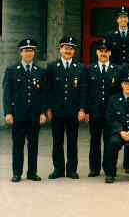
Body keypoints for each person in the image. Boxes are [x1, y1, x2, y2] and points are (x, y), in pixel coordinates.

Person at [4, 39, 47, 182]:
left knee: (33, 144)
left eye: (31, 51)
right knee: (18, 145)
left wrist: (43, 112)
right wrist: (8, 112)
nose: (28, 53)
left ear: (34, 53)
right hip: (18, 115)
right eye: (25, 51)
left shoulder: (40, 71)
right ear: (20, 52)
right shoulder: (11, 70)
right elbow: (6, 93)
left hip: (34, 114)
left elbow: (43, 94)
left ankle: (32, 172)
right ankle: (17, 172)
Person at [46, 36, 87, 180]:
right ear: (60, 49)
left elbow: (83, 90)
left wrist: (82, 109)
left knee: (72, 141)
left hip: (72, 111)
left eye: (71, 48)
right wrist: (48, 108)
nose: (68, 51)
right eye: (65, 48)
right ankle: (58, 169)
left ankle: (71, 170)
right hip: (57, 110)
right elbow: (48, 89)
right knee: (57, 141)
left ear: (74, 50)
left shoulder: (80, 68)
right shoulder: (52, 67)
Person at [85, 39, 121, 177]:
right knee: (94, 141)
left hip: (111, 114)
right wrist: (87, 111)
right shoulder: (89, 69)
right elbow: (86, 92)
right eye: (101, 51)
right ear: (96, 53)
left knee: (109, 142)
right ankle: (94, 169)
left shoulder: (117, 70)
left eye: (106, 51)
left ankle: (108, 168)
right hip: (95, 112)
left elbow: (119, 93)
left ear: (110, 53)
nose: (103, 54)